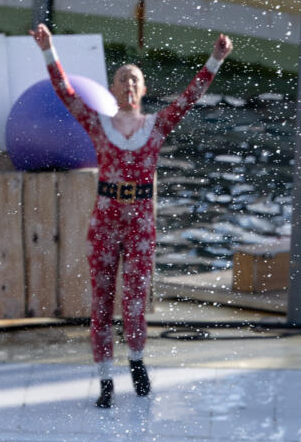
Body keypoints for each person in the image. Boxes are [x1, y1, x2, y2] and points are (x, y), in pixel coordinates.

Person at [29, 23, 233, 408]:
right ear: (111, 89)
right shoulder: (98, 123)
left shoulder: (156, 126)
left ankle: (137, 361)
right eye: (122, 79)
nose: (128, 85)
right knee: (102, 299)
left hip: (139, 221)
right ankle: (105, 377)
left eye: (135, 80)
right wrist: (48, 48)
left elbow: (190, 97)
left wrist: (215, 59)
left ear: (143, 90)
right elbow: (65, 92)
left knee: (135, 297)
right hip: (105, 220)